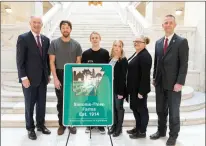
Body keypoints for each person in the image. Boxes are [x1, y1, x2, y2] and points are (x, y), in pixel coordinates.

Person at [150, 14, 189, 146]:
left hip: (174, 84)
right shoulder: (158, 42)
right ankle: (161, 131)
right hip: (160, 83)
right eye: (165, 23)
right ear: (162, 25)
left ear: (175, 25)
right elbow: (157, 62)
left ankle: (173, 136)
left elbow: (184, 64)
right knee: (160, 110)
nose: (168, 25)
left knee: (173, 112)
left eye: (170, 23)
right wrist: (155, 77)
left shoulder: (181, 41)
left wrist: (180, 82)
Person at [16, 16, 51, 140]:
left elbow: (46, 60)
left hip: (42, 79)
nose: (37, 25)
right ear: (30, 24)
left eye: (39, 23)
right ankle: (30, 128)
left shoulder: (46, 40)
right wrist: (23, 77)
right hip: (29, 79)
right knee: (29, 105)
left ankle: (40, 125)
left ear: (42, 25)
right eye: (34, 22)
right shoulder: (23, 38)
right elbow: (20, 61)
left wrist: (48, 74)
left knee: (42, 104)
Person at [48, 20, 82, 135]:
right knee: (61, 101)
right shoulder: (54, 43)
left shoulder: (76, 44)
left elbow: (78, 62)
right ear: (60, 29)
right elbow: (52, 62)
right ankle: (62, 124)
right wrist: (55, 78)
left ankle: (71, 123)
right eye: (63, 27)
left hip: (72, 74)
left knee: (72, 101)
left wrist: (76, 79)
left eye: (67, 27)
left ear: (70, 29)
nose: (65, 29)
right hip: (59, 73)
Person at [81, 31, 110, 134]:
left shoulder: (105, 53)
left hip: (102, 84)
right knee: (90, 103)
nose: (94, 39)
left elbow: (108, 70)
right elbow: (83, 70)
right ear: (90, 40)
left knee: (101, 102)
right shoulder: (85, 54)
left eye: (96, 37)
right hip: (90, 84)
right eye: (92, 38)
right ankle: (90, 124)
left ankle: (101, 125)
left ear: (100, 39)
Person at [126, 35, 152, 139]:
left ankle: (142, 132)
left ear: (145, 44)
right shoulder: (137, 53)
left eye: (139, 41)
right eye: (135, 41)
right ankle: (137, 127)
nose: (136, 43)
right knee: (135, 109)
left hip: (139, 90)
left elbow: (145, 75)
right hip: (133, 88)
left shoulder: (145, 56)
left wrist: (142, 91)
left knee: (141, 110)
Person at [107, 40, 128, 137]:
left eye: (119, 46)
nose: (116, 48)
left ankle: (119, 128)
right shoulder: (110, 59)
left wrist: (121, 92)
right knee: (112, 108)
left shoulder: (123, 60)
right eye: (115, 45)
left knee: (118, 108)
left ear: (121, 48)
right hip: (110, 87)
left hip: (119, 88)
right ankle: (114, 126)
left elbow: (123, 78)